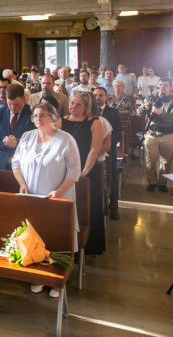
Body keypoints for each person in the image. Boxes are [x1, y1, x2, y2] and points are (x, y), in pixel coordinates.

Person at [13, 101, 82, 297]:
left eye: (42, 115)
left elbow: (74, 171)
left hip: (57, 198)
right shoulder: (27, 137)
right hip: (32, 197)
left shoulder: (66, 140)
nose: (38, 119)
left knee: (56, 238)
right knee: (35, 236)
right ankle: (38, 276)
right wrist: (22, 184)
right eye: (35, 116)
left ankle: (57, 281)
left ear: (53, 117)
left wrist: (58, 192)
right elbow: (16, 163)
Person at [61, 91, 106, 256]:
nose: (73, 107)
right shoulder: (61, 121)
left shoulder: (94, 122)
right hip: (65, 171)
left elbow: (94, 149)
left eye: (78, 104)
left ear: (86, 107)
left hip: (86, 171)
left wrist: (84, 171)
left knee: (87, 207)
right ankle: (67, 245)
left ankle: (88, 248)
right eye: (72, 103)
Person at [139, 77, 173, 193]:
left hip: (169, 132)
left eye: (166, 85)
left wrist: (161, 112)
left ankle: (162, 183)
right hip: (152, 132)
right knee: (150, 160)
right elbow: (139, 112)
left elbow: (172, 118)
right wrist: (144, 107)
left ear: (170, 88)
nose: (162, 87)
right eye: (161, 85)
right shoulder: (151, 98)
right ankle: (152, 182)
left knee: (166, 162)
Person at [0, 84, 35, 170]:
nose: (13, 108)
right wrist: (4, 143)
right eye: (9, 104)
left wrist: (17, 143)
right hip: (1, 162)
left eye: (16, 104)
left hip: (24, 163)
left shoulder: (33, 114)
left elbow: (36, 139)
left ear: (24, 99)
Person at [94, 87, 122, 220]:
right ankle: (101, 207)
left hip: (109, 150)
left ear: (106, 97)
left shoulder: (113, 112)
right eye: (95, 95)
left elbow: (117, 133)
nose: (98, 98)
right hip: (94, 151)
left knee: (112, 178)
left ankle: (113, 207)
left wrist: (106, 145)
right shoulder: (88, 112)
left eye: (101, 95)